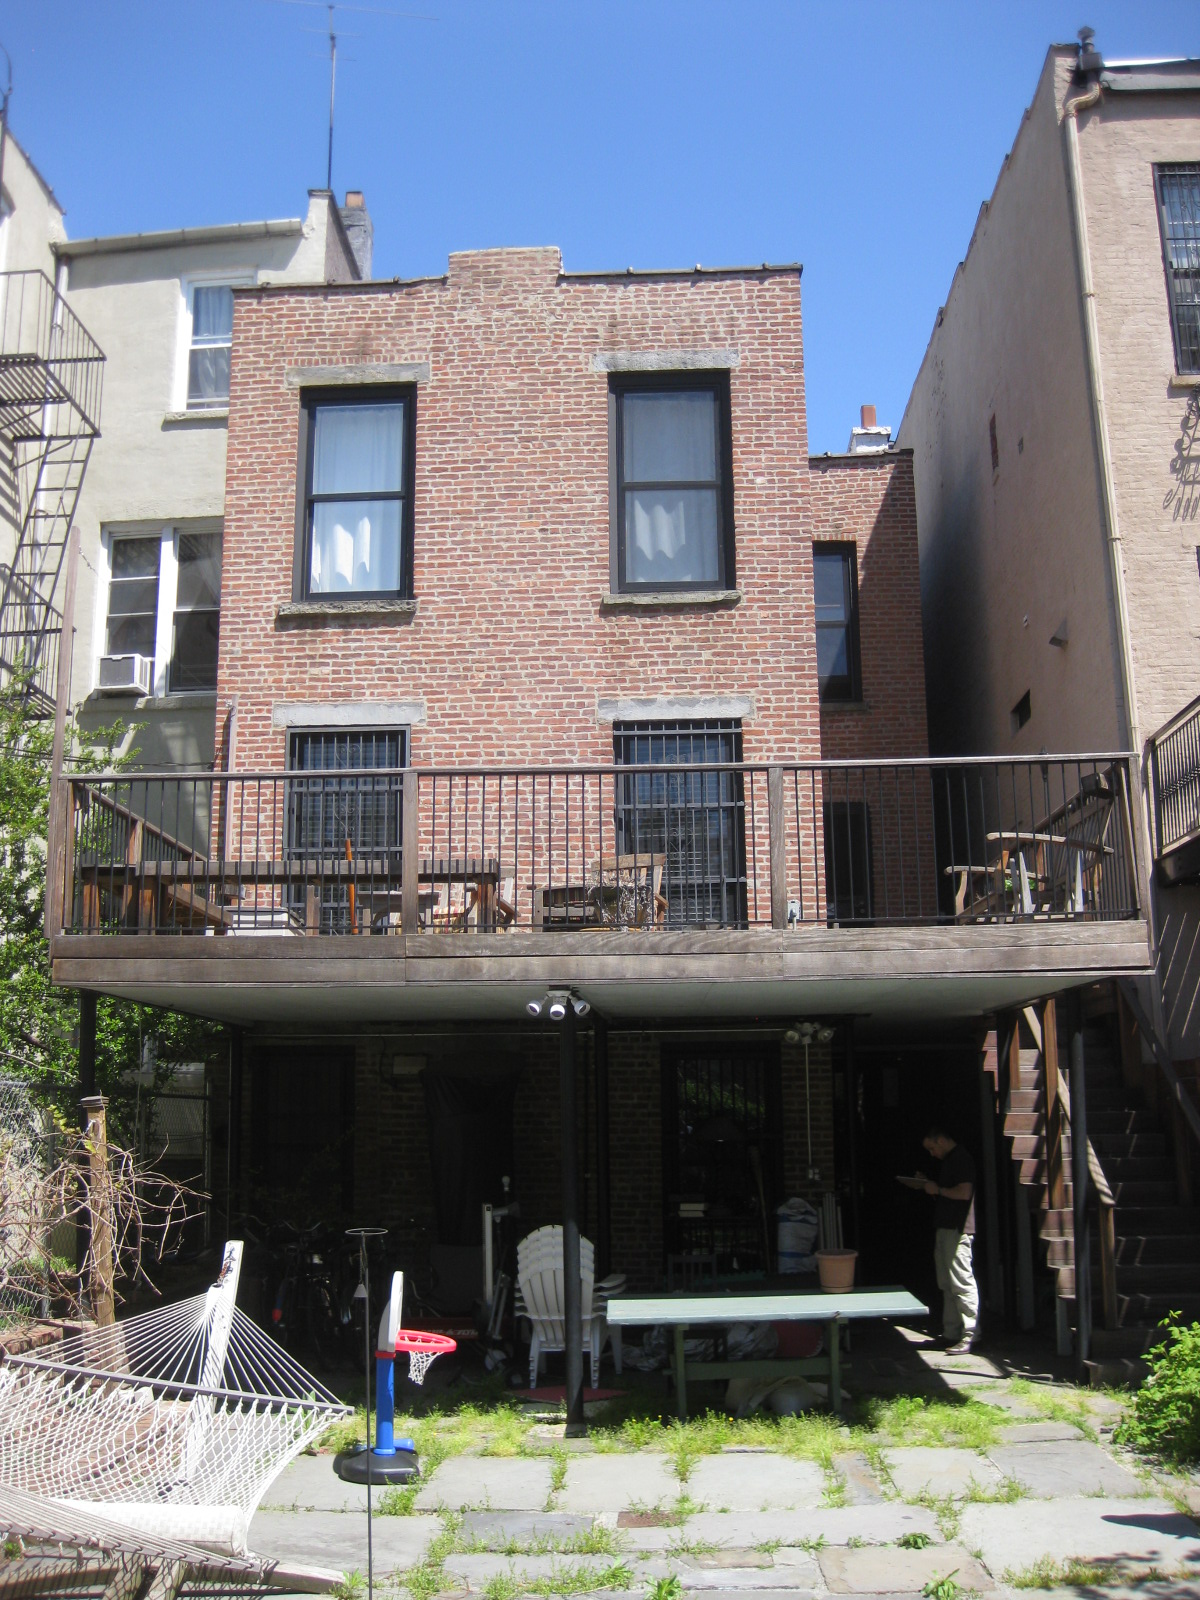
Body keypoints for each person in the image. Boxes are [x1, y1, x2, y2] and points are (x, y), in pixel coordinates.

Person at [916, 1123, 979, 1353]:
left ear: (941, 1141)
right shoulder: (950, 1161)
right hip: (945, 1228)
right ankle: (952, 1333)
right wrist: (931, 1186)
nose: (932, 1154)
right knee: (947, 1283)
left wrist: (938, 1190)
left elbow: (964, 1192)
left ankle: (970, 1333)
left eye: (932, 1148)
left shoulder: (961, 1158)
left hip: (957, 1229)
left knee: (961, 1281)